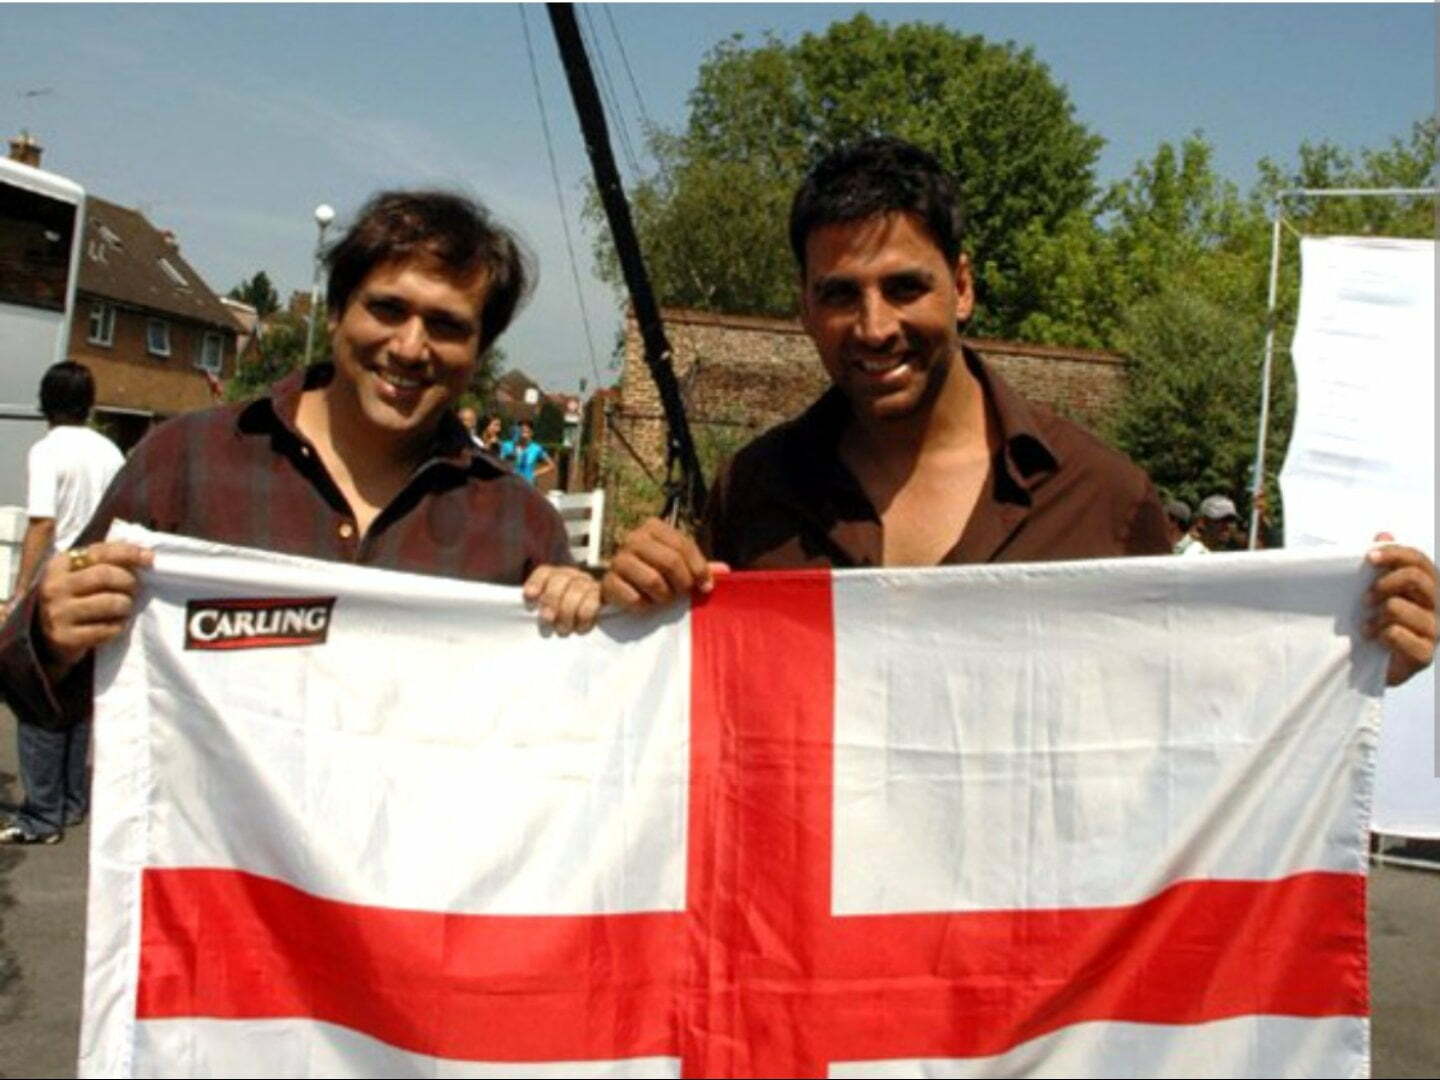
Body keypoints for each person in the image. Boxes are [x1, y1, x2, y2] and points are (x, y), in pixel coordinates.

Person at [602, 136, 1436, 688]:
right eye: (839, 295)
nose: (875, 326)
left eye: (905, 286)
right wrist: (620, 598)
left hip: (1025, 950)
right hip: (814, 947)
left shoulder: (1103, 499)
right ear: (803, 308)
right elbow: (676, 701)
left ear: (961, 287)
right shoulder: (753, 490)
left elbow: (1201, 699)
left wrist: (1356, 658)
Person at [0, 190, 601, 745]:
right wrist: (50, 632)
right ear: (337, 313)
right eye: (388, 309)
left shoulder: (518, 528)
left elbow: (564, 741)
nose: (411, 347)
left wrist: (602, 617)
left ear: (478, 353)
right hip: (215, 862)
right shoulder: (186, 463)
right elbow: (39, 695)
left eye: (446, 325)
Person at [1, 362, 123, 844]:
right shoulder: (111, 451)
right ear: (89, 403)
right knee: (75, 701)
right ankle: (71, 803)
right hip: (100, 580)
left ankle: (42, 815)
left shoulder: (48, 451)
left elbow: (42, 525)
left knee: (34, 698)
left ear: (44, 401)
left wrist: (18, 592)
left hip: (57, 585)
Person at [502, 420, 555, 486]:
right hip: (510, 484)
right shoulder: (507, 446)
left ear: (531, 433)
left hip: (528, 486)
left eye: (527, 431)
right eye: (522, 430)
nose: (524, 433)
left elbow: (551, 465)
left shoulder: (536, 448)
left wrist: (534, 473)